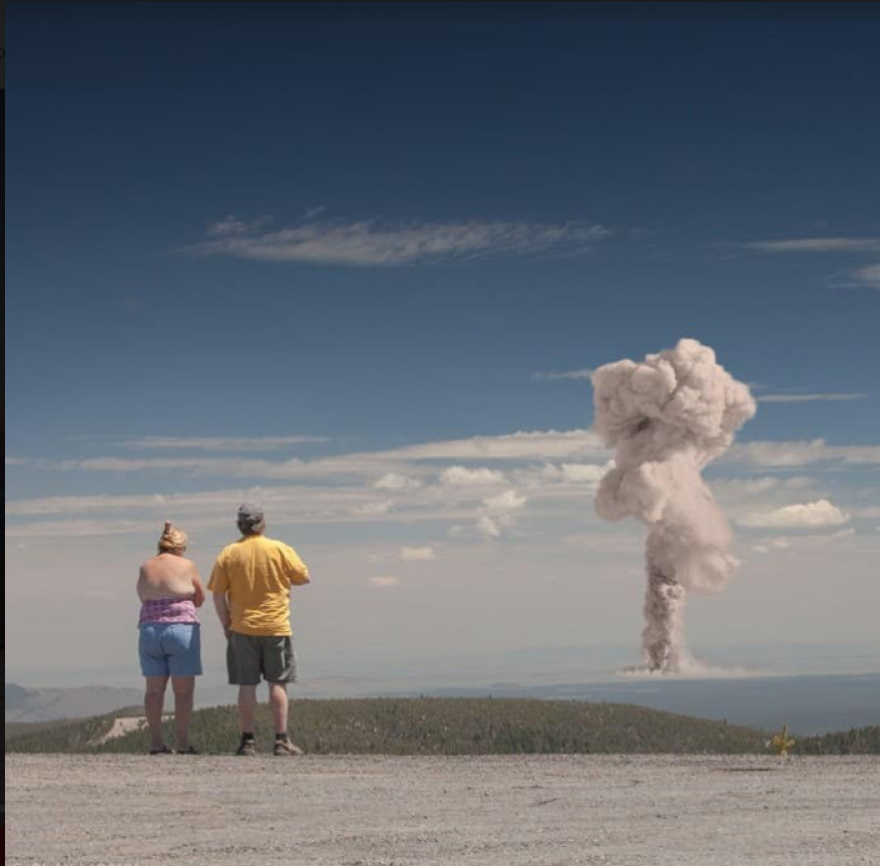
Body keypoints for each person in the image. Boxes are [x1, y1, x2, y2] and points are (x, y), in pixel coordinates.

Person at [209, 503, 311, 756]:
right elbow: (303, 577)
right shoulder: (280, 549)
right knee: (278, 683)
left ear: (239, 525)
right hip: (276, 626)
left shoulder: (228, 553)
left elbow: (218, 595)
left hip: (242, 627)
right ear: (262, 524)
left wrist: (226, 625)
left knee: (247, 686)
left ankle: (248, 741)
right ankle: (281, 740)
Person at [136, 521, 205, 754]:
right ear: (180, 547)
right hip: (181, 629)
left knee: (153, 690)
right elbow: (200, 597)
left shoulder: (145, 566)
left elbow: (142, 595)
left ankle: (156, 742)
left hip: (150, 630)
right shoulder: (187, 565)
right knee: (183, 691)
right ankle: (183, 743)